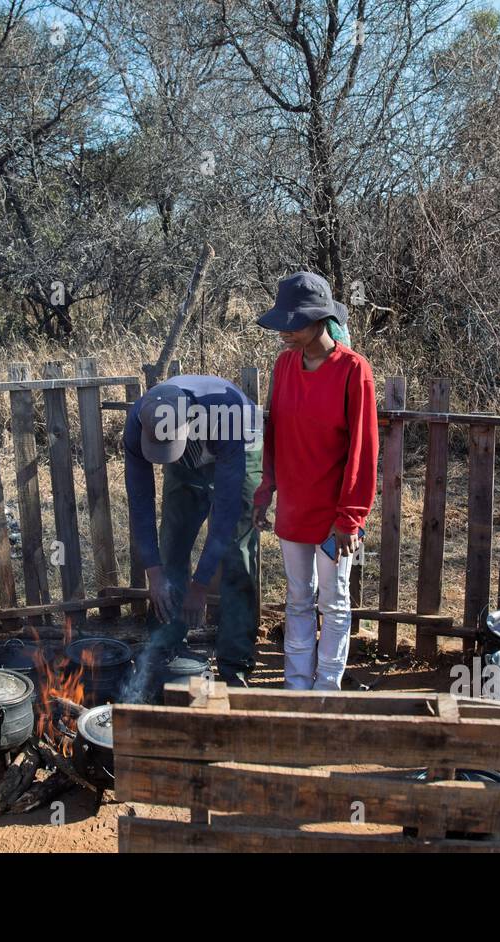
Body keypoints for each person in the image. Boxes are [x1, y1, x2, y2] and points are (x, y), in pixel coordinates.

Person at [252, 272, 378, 691]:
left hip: (333, 516)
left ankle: (326, 688)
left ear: (320, 320)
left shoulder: (353, 370)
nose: (284, 332)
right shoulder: (284, 364)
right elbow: (274, 434)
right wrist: (265, 490)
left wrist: (350, 518)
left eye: (294, 323)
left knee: (335, 602)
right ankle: (296, 685)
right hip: (293, 504)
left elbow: (363, 450)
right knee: (298, 599)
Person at [123, 375, 262, 692]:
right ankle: (166, 647)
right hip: (188, 449)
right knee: (173, 540)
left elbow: (226, 512)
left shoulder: (226, 416)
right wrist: (154, 572)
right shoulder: (139, 420)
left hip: (239, 443)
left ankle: (234, 664)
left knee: (237, 552)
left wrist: (200, 584)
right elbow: (140, 501)